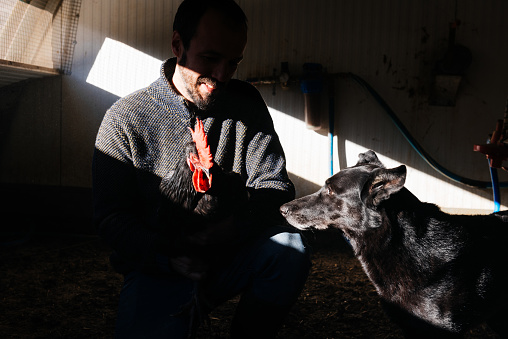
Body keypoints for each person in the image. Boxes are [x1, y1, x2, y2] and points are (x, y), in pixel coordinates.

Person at [92, 0, 311, 337]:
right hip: (161, 265)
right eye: (211, 58)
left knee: (289, 250)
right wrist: (168, 256)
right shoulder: (125, 119)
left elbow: (276, 187)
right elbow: (111, 218)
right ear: (178, 45)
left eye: (233, 62)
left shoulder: (245, 102)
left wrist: (232, 229)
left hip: (231, 253)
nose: (223, 74)